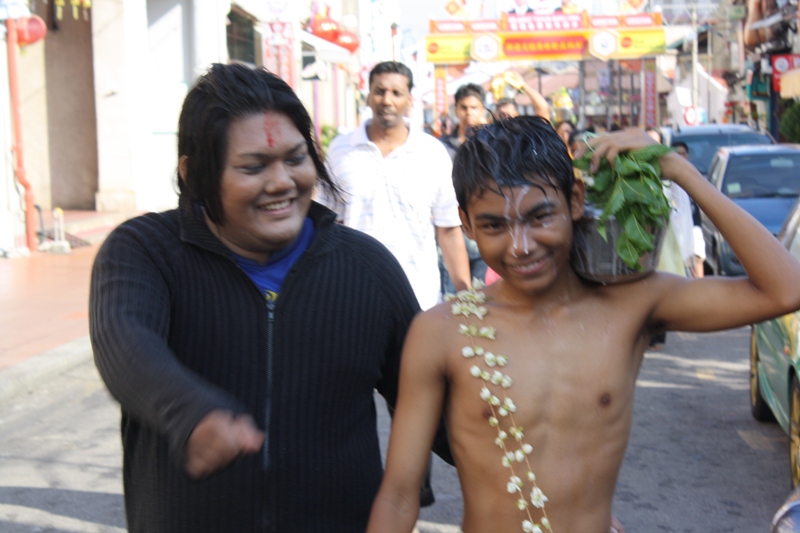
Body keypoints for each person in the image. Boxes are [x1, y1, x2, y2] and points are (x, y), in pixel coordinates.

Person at [365, 116, 800, 533]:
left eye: (539, 217)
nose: (521, 246)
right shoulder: (441, 332)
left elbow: (784, 289)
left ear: (575, 200)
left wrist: (678, 169)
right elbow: (400, 496)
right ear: (466, 224)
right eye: (495, 225)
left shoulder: (633, 302)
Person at [90, 63, 439, 532]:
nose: (281, 182)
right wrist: (189, 412)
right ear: (194, 173)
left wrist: (412, 487)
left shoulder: (367, 268)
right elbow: (125, 343)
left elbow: (427, 397)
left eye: (296, 159)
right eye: (253, 166)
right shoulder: (145, 252)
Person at [321, 61, 470, 310]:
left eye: (396, 93)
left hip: (418, 297)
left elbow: (449, 230)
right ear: (368, 96)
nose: (386, 100)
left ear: (409, 100)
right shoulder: (340, 149)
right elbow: (328, 223)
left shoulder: (431, 152)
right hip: (354, 294)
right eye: (379, 91)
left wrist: (467, 296)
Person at [439, 83, 491, 294]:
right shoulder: (442, 146)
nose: (469, 113)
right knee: (454, 300)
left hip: (484, 229)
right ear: (456, 110)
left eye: (474, 107)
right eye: (464, 108)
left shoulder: (495, 145)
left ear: (483, 110)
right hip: (451, 228)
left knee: (483, 299)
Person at [673, 141, 706, 278]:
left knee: (698, 256)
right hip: (676, 229)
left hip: (694, 225)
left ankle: (700, 289)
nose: (681, 156)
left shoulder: (694, 175)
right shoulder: (667, 178)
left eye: (683, 153)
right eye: (677, 153)